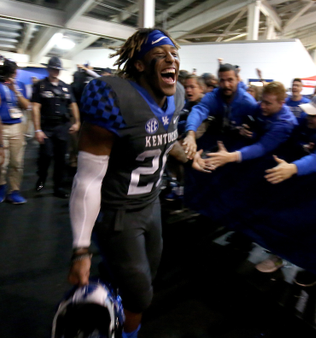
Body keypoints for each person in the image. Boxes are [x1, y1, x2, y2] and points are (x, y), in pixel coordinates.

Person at [67, 28, 206, 338]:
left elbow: (163, 141)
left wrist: (187, 156)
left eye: (173, 54)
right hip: (119, 212)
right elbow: (88, 178)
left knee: (146, 278)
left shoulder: (176, 95)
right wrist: (80, 250)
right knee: (141, 295)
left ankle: (110, 289)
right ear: (140, 64)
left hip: (151, 205)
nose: (171, 60)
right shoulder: (113, 98)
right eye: (160, 55)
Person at [205, 81, 297, 168]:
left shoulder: (285, 123)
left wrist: (230, 157)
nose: (262, 106)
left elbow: (262, 147)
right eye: (262, 101)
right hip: (256, 146)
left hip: (275, 156)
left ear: (281, 103)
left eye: (268, 103)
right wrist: (243, 129)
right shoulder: (261, 108)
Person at [183, 63, 258, 159]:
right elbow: (198, 111)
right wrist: (190, 133)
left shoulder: (247, 102)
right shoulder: (213, 97)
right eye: (222, 80)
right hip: (218, 141)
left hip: (239, 146)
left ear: (237, 80)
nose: (226, 85)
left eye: (230, 80)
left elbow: (261, 124)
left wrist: (251, 133)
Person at [265, 93, 316, 184]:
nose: (308, 117)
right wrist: (302, 146)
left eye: (313, 116)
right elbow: (293, 138)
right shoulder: (306, 120)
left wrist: (294, 168)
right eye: (308, 113)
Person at [31, 56, 80, 198]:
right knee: (46, 155)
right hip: (46, 126)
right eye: (53, 69)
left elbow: (73, 104)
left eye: (57, 69)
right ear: (48, 69)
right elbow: (35, 107)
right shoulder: (40, 86)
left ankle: (58, 187)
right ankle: (42, 177)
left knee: (61, 159)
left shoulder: (65, 86)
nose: (55, 71)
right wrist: (37, 129)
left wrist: (76, 122)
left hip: (62, 126)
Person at [0, 59, 30, 204]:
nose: (15, 75)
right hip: (2, 126)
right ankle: (1, 187)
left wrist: (16, 91)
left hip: (17, 127)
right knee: (1, 162)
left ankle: (14, 191)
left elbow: (26, 106)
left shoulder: (20, 86)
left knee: (17, 162)